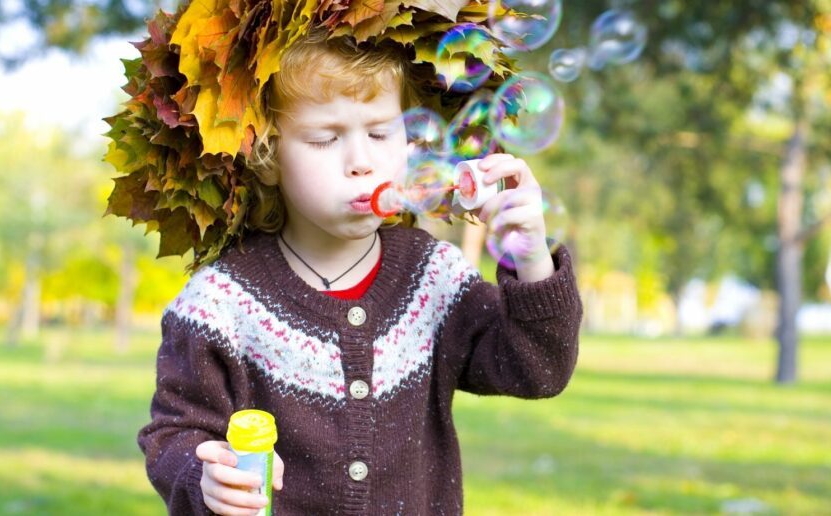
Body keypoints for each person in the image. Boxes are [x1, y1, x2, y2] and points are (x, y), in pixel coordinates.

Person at [135, 21, 582, 516]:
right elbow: (174, 433)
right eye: (326, 138)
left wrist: (531, 256)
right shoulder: (220, 303)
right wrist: (203, 479)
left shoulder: (432, 276)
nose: (361, 161)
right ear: (267, 155)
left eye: (379, 132)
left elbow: (538, 370)